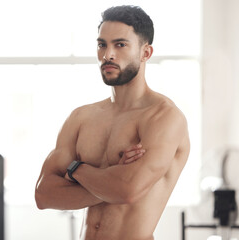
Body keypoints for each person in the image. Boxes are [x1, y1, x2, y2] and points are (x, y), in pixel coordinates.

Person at [35, 5, 190, 240]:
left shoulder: (164, 117)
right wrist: (111, 179)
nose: (108, 54)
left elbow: (127, 191)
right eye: (102, 45)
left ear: (145, 53)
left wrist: (76, 169)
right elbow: (43, 195)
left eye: (120, 45)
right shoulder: (81, 117)